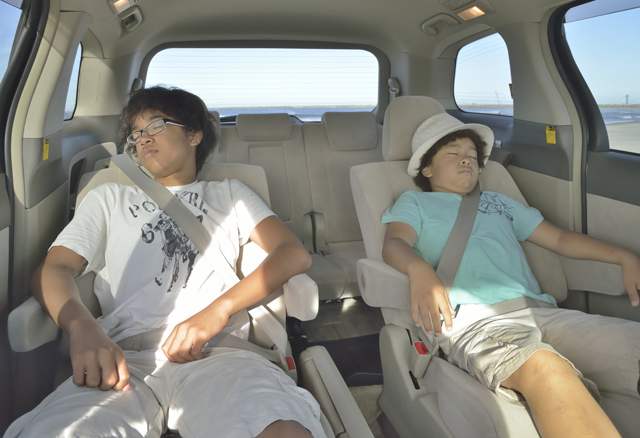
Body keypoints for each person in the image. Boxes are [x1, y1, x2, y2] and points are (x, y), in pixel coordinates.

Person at [5, 86, 329, 438]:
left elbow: (292, 252)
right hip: (123, 359)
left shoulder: (230, 193)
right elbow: (54, 268)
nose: (143, 138)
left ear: (193, 135)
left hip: (220, 354)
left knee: (281, 430)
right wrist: (82, 327)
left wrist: (217, 311)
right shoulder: (108, 196)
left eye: (156, 125)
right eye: (135, 133)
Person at [381, 112, 640, 438]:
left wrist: (623, 256)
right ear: (427, 169)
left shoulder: (500, 203)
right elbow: (394, 244)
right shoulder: (415, 202)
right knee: (545, 367)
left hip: (541, 312)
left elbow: (560, 239)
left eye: (472, 156)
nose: (466, 160)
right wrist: (418, 268)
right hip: (477, 322)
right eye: (453, 153)